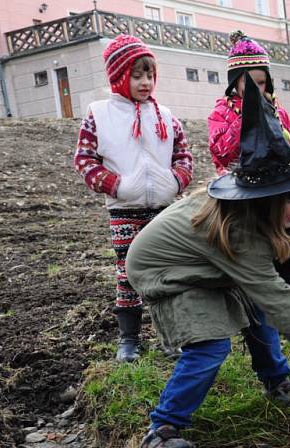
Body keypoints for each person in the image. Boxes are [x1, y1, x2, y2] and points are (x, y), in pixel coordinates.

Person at [127, 73, 290, 448]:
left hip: (201, 265)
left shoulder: (255, 218)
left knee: (257, 312)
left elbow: (266, 296)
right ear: (265, 200)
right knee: (211, 345)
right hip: (165, 272)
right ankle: (163, 428)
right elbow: (273, 292)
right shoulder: (240, 231)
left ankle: (278, 384)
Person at [207, 31, 290, 417]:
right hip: (245, 210)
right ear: (234, 82)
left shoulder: (279, 111)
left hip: (279, 209)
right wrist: (251, 122)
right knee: (256, 286)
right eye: (248, 82)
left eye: (261, 81)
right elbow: (222, 150)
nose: (257, 88)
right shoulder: (223, 113)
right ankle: (270, 363)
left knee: (285, 272)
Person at [74, 34, 193, 362]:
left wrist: (176, 180)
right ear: (118, 76)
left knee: (168, 271)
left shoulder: (165, 115)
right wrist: (114, 185)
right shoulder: (99, 114)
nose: (146, 82)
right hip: (125, 208)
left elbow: (183, 155)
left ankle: (172, 337)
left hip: (164, 208)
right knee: (128, 273)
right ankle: (129, 339)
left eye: (150, 75)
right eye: (137, 75)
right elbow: (84, 160)